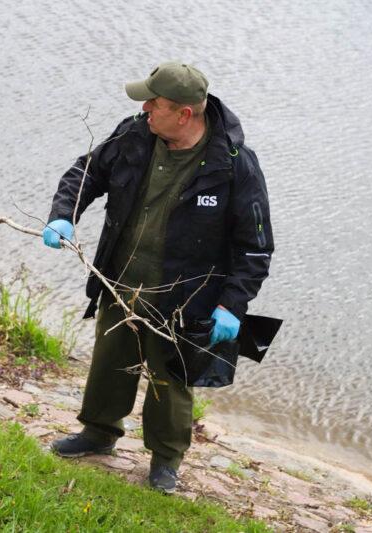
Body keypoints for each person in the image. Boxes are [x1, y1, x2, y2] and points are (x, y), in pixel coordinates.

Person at [42, 61, 273, 493]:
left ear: (185, 113)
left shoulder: (235, 165)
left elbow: (256, 248)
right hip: (121, 278)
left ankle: (165, 460)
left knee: (173, 380)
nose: (145, 108)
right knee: (110, 362)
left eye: (155, 103)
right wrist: (63, 216)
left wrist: (232, 305)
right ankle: (98, 433)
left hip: (186, 299)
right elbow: (86, 173)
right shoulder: (135, 133)